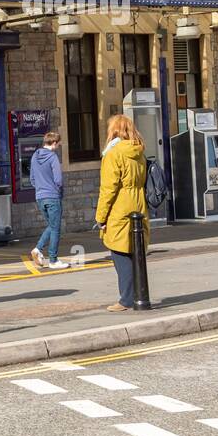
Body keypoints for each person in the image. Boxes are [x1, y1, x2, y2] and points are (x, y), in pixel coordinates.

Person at [95, 114, 149, 313]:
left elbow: (108, 189)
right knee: (136, 251)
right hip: (138, 202)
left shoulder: (113, 154)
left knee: (119, 253)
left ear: (114, 131)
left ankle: (126, 299)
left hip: (120, 205)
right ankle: (139, 294)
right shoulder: (139, 151)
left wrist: (100, 217)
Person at [29, 131, 69, 270]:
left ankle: (38, 250)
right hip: (52, 196)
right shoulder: (52, 157)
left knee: (52, 226)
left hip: (40, 197)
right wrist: (58, 191)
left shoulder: (35, 156)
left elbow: (32, 179)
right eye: (57, 144)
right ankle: (53, 260)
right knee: (56, 228)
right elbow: (58, 180)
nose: (58, 146)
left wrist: (40, 189)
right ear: (53, 143)